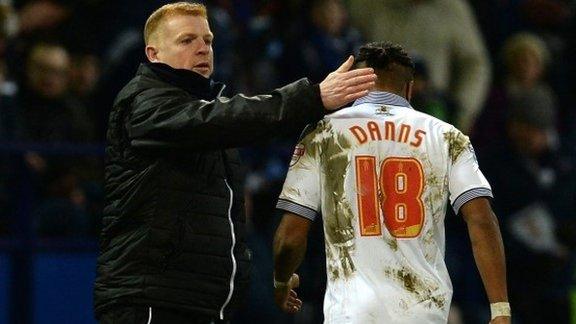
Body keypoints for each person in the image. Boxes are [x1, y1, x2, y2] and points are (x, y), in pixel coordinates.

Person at [93, 2, 376, 324]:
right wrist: (311, 98)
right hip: (151, 300)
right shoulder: (143, 101)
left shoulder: (206, 106)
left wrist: (265, 280)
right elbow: (220, 119)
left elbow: (216, 222)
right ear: (153, 54)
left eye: (208, 40)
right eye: (187, 41)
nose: (202, 49)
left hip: (201, 302)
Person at [273, 42, 510, 323]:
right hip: (423, 312)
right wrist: (500, 308)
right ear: (409, 89)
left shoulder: (322, 133)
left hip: (351, 313)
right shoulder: (447, 136)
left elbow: (291, 236)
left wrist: (281, 281)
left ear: (355, 84)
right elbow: (481, 219)